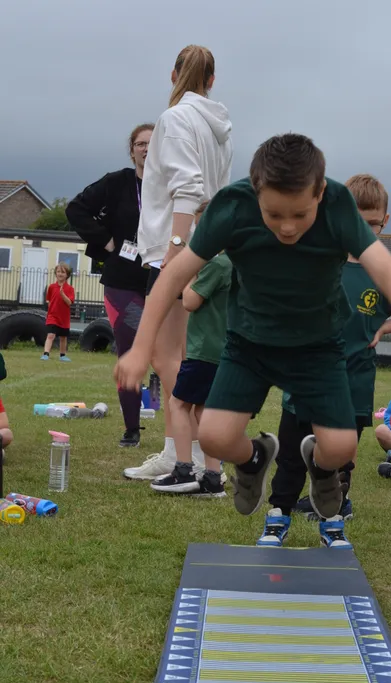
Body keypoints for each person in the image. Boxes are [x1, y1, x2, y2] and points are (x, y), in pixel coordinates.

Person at [115, 134, 391, 525]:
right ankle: (253, 459)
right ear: (256, 191)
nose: (287, 227)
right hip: (250, 342)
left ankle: (320, 468)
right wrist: (140, 346)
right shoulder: (233, 206)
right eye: (274, 214)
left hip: (317, 346)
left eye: (299, 215)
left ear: (319, 193)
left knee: (341, 447)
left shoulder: (338, 206)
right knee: (213, 436)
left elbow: (383, 266)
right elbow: (174, 274)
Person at [258, 174, 391, 548]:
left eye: (371, 223)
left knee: (340, 460)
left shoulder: (384, 270)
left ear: (385, 221)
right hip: (306, 378)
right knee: (291, 455)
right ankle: (277, 518)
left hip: (352, 382)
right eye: (355, 219)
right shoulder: (319, 258)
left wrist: (383, 328)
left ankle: (332, 522)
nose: (362, 230)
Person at [125, 44, 233, 479]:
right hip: (208, 244)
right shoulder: (220, 126)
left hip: (179, 248)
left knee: (166, 356)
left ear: (173, 76)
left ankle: (184, 456)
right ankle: (187, 454)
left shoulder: (174, 119)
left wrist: (173, 250)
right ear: (211, 81)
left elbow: (188, 188)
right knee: (180, 355)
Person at [66, 123, 154, 447]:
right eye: (141, 143)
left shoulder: (171, 184)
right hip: (122, 285)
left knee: (168, 355)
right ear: (132, 150)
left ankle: (175, 428)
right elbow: (75, 209)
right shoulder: (117, 182)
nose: (147, 148)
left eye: (153, 143)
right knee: (131, 354)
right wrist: (105, 241)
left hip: (160, 281)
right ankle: (132, 429)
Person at [151, 201, 231, 498]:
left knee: (178, 405)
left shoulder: (215, 265)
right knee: (203, 412)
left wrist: (188, 274)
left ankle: (183, 469)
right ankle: (212, 477)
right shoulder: (233, 263)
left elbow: (189, 301)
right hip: (219, 350)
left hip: (204, 351)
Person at [41, 263, 75, 361]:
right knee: (51, 335)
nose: (60, 274)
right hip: (52, 316)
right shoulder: (51, 287)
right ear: (56, 273)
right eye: (58, 272)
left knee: (63, 337)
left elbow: (69, 302)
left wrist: (62, 294)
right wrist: (51, 307)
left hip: (64, 318)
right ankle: (46, 354)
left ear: (67, 275)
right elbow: (49, 300)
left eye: (63, 272)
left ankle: (62, 355)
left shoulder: (70, 289)